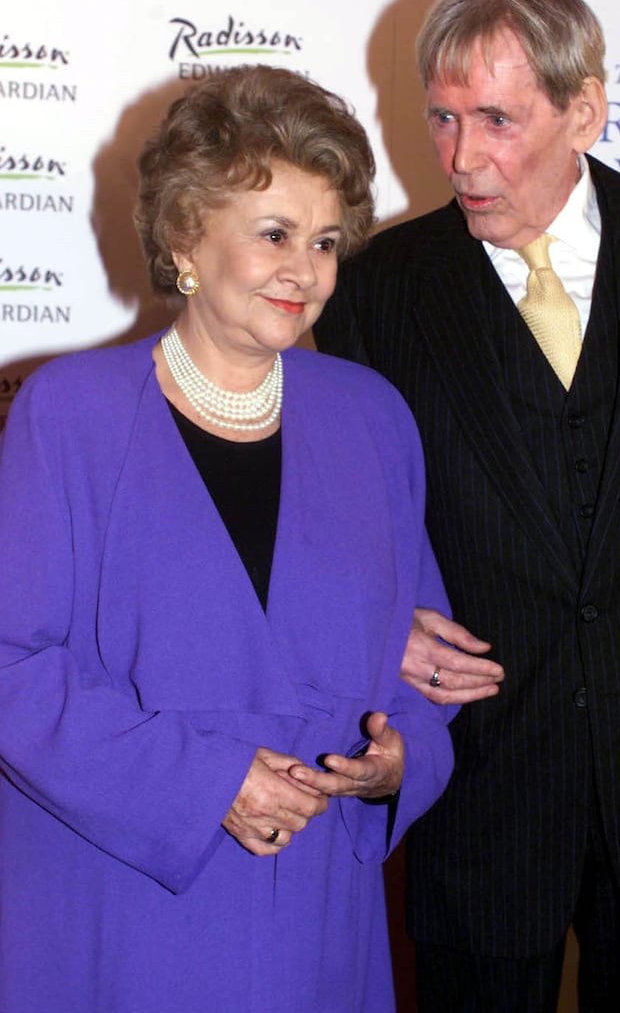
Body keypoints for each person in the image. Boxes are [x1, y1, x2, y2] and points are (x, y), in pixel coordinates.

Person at [314, 0, 620, 1013]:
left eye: (495, 119)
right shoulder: (379, 287)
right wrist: (379, 634)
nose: (459, 157)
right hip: (481, 790)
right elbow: (338, 534)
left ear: (583, 109)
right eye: (440, 116)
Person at [0, 65, 457, 1012]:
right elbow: (10, 669)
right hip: (119, 911)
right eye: (276, 234)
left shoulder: (373, 419)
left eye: (327, 241)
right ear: (184, 240)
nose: (308, 270)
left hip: (318, 926)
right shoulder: (67, 416)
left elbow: (427, 664)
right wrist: (204, 781)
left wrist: (400, 759)